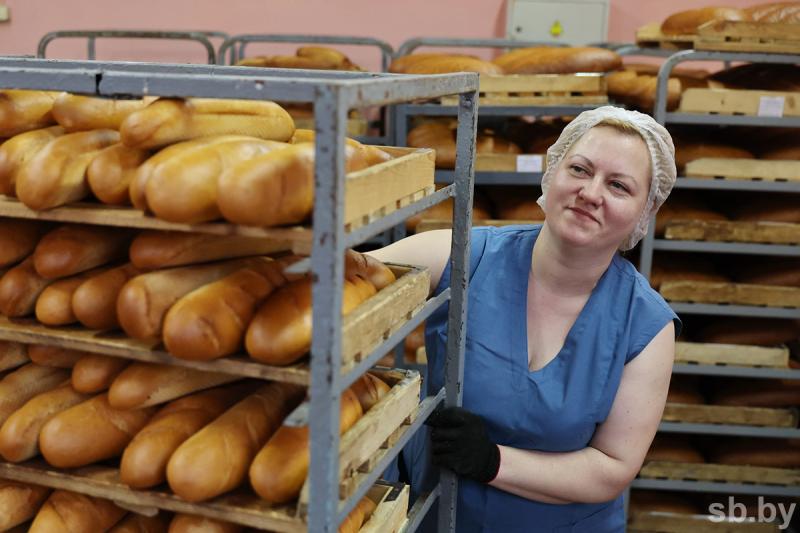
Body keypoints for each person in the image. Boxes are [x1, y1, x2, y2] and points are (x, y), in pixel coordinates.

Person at [367, 106, 681, 532]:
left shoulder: (646, 325)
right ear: (552, 172)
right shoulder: (465, 257)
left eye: (618, 186)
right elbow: (349, 275)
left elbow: (612, 467)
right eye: (579, 169)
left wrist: (492, 461)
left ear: (646, 209)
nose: (591, 192)